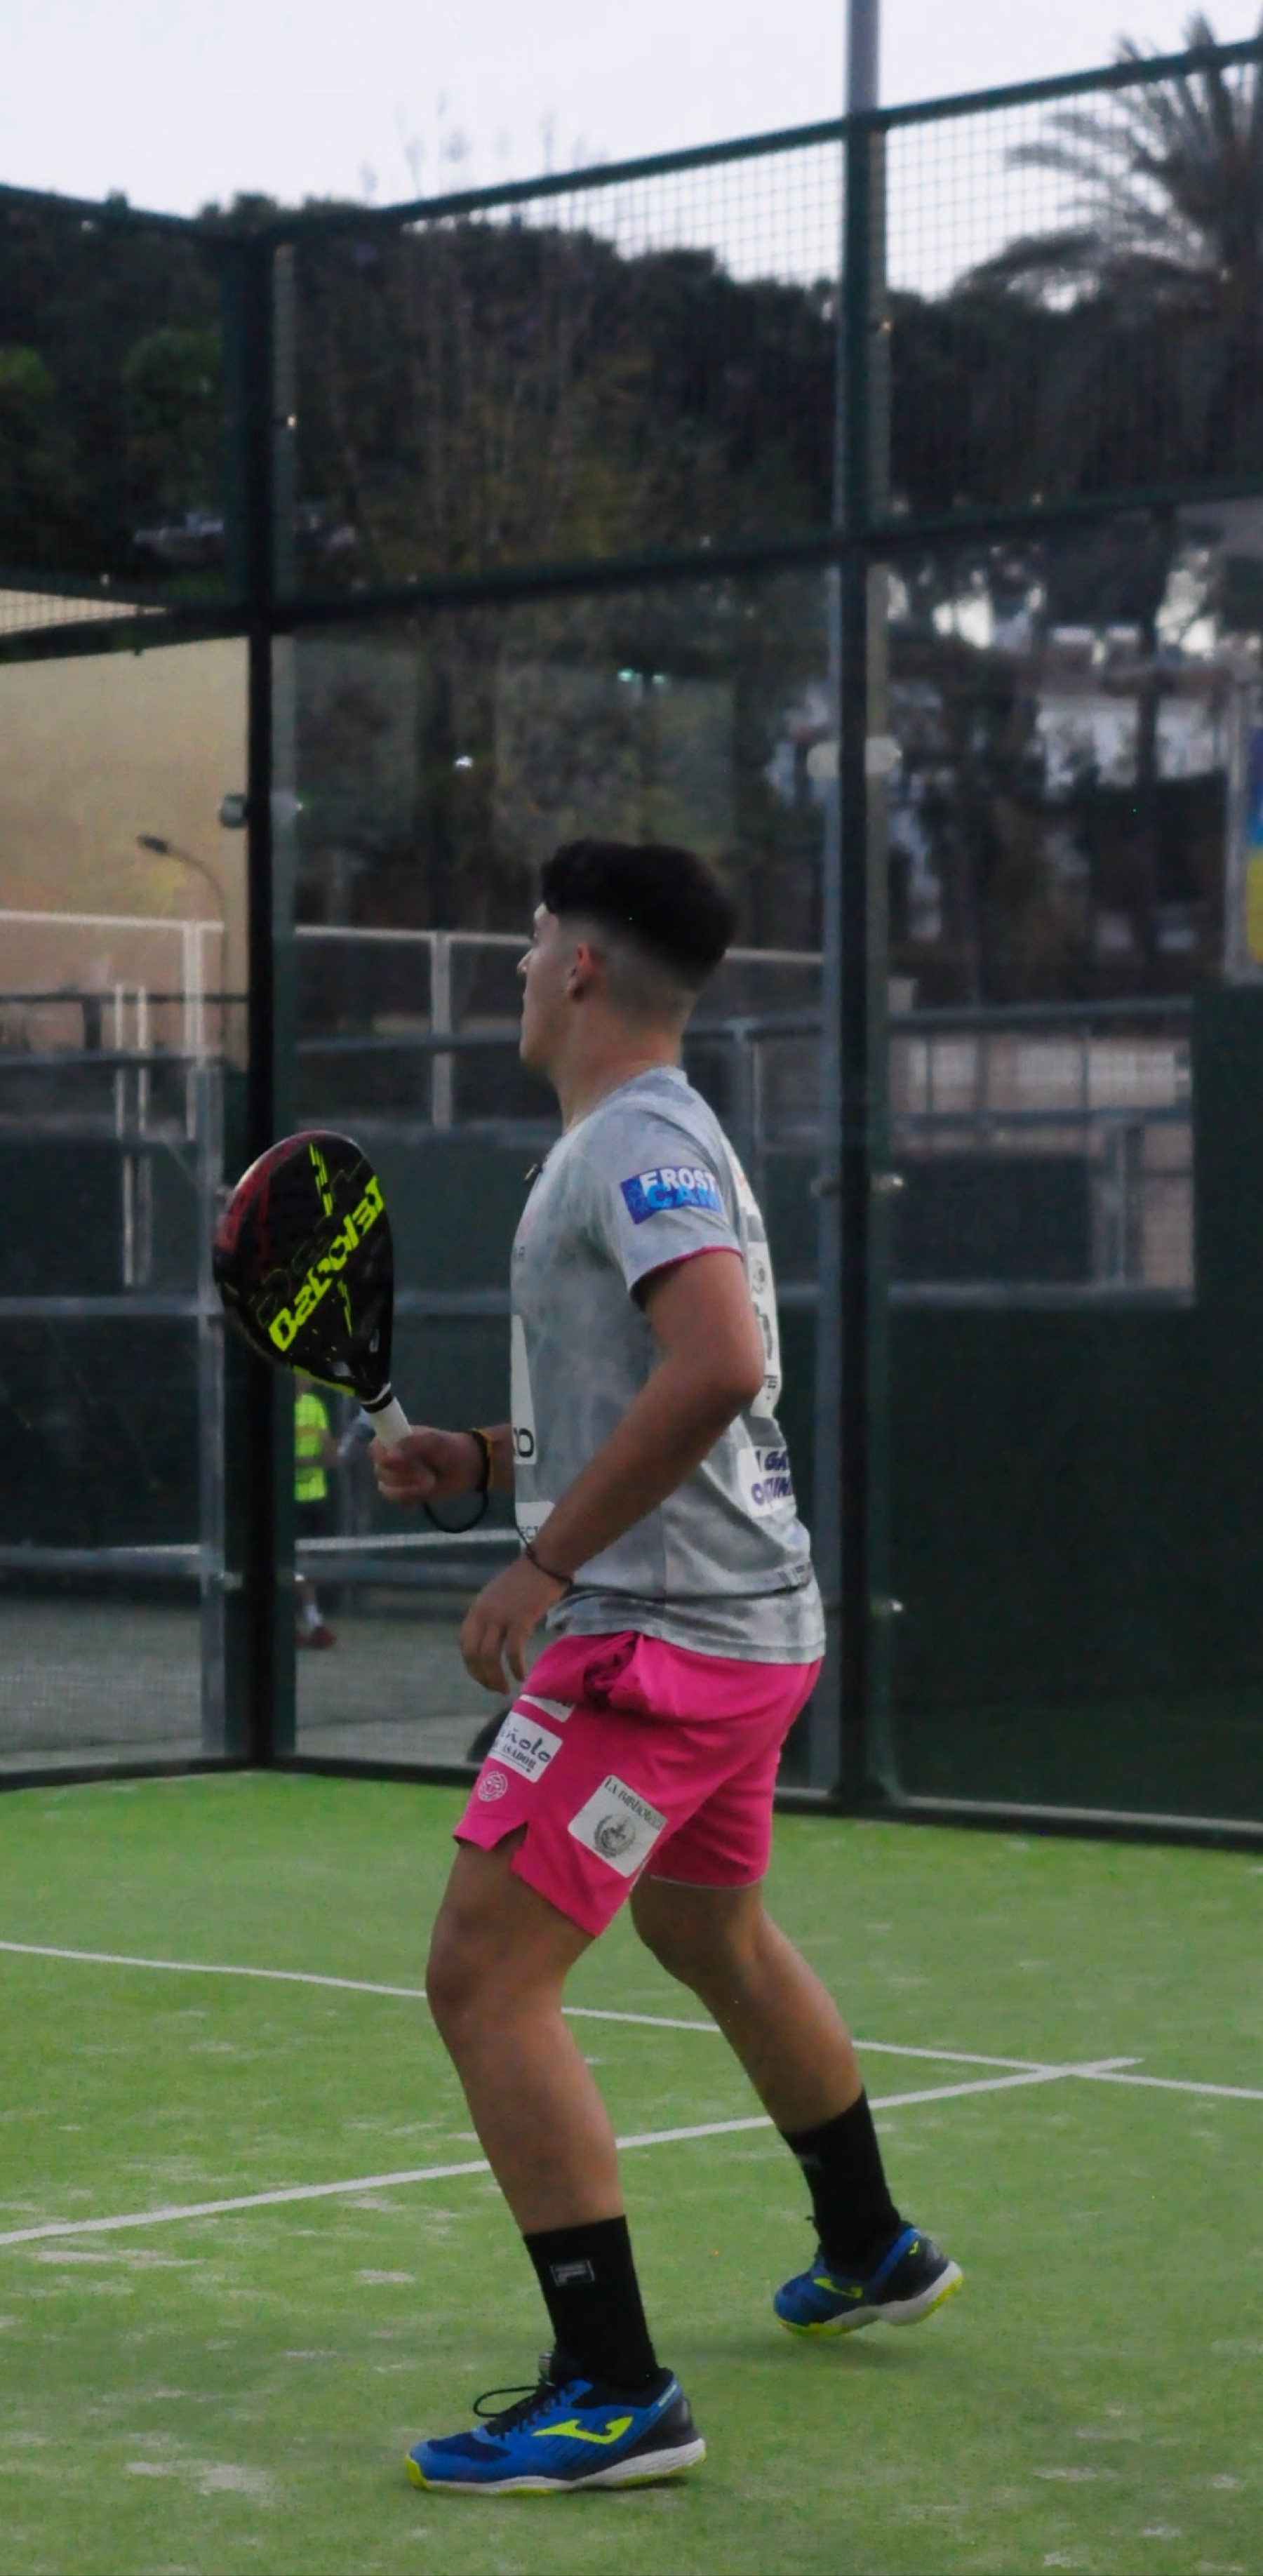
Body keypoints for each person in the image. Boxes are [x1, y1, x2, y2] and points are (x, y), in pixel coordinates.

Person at [375, 839, 961, 2497]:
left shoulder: (636, 1140)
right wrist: (486, 1461)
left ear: (578, 964)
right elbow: (660, 1388)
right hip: (741, 1621)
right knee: (706, 1926)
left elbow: (718, 1362)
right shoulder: (647, 1137)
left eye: (527, 942)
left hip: (662, 1640)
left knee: (483, 1975)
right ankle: (871, 2241)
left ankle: (614, 2386)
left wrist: (546, 1559)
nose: (515, 970)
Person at [294, 1372, 338, 1648]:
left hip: (314, 1497)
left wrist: (322, 1455)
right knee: (295, 1560)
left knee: (306, 1563)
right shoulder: (277, 1408)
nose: (306, 1379)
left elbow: (329, 1453)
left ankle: (311, 1622)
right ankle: (310, 1622)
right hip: (286, 1499)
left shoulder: (315, 1406)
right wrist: (303, 1461)